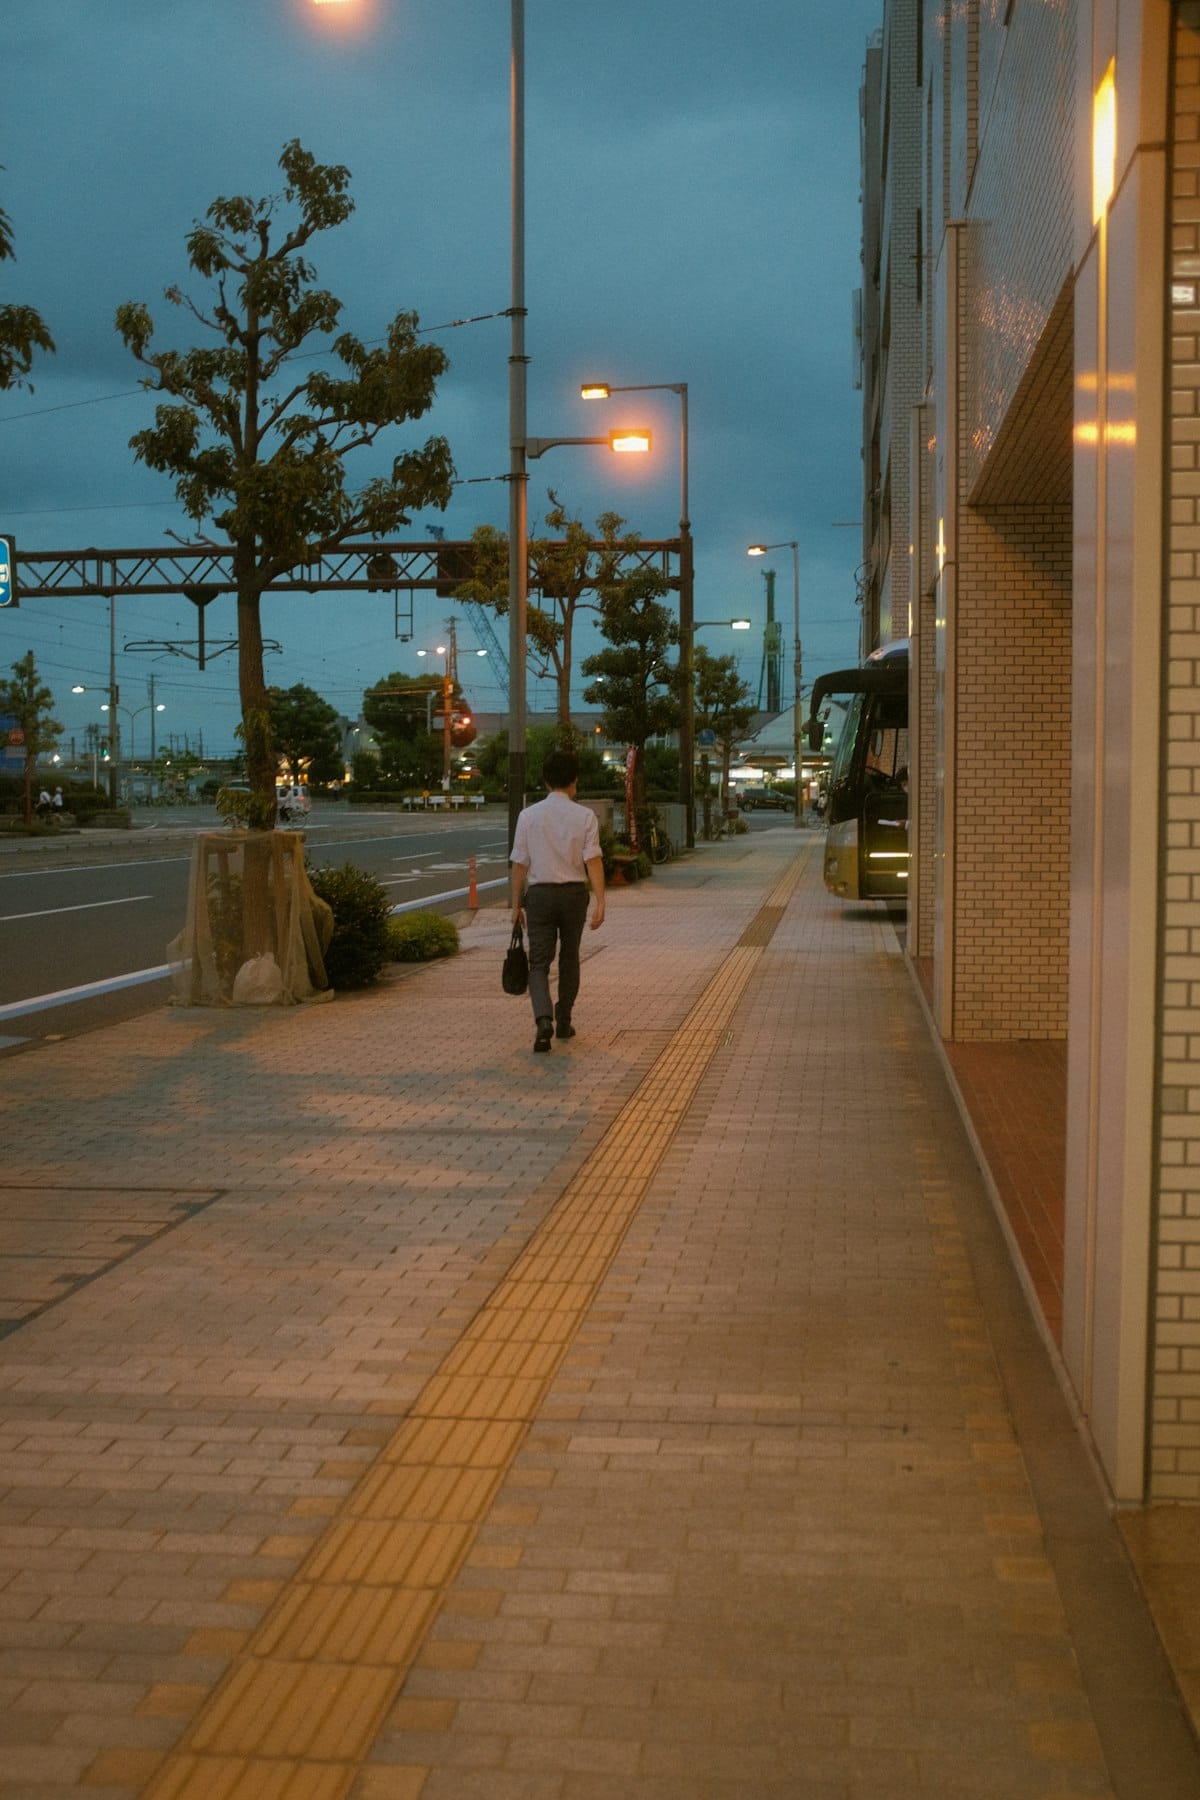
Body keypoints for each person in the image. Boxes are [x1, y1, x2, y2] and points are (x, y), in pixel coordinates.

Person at [510, 747, 606, 1053]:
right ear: (574, 780)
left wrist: (515, 906)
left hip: (538, 896)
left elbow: (519, 864)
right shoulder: (585, 816)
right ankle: (564, 1020)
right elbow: (593, 860)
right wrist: (601, 900)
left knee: (538, 962)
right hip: (574, 895)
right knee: (569, 958)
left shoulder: (528, 815)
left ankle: (543, 1019)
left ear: (546, 781)